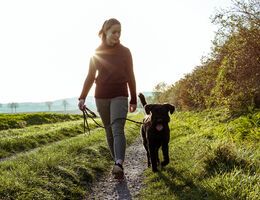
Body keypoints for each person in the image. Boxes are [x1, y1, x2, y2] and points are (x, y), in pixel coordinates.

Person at [78, 18, 137, 179]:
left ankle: (119, 163)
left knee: (117, 128)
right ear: (105, 32)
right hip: (101, 96)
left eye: (120, 32)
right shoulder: (96, 52)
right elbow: (90, 76)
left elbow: (131, 76)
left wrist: (133, 98)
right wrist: (82, 97)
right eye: (114, 32)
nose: (117, 35)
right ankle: (117, 165)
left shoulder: (125, 52)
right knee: (109, 131)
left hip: (120, 95)